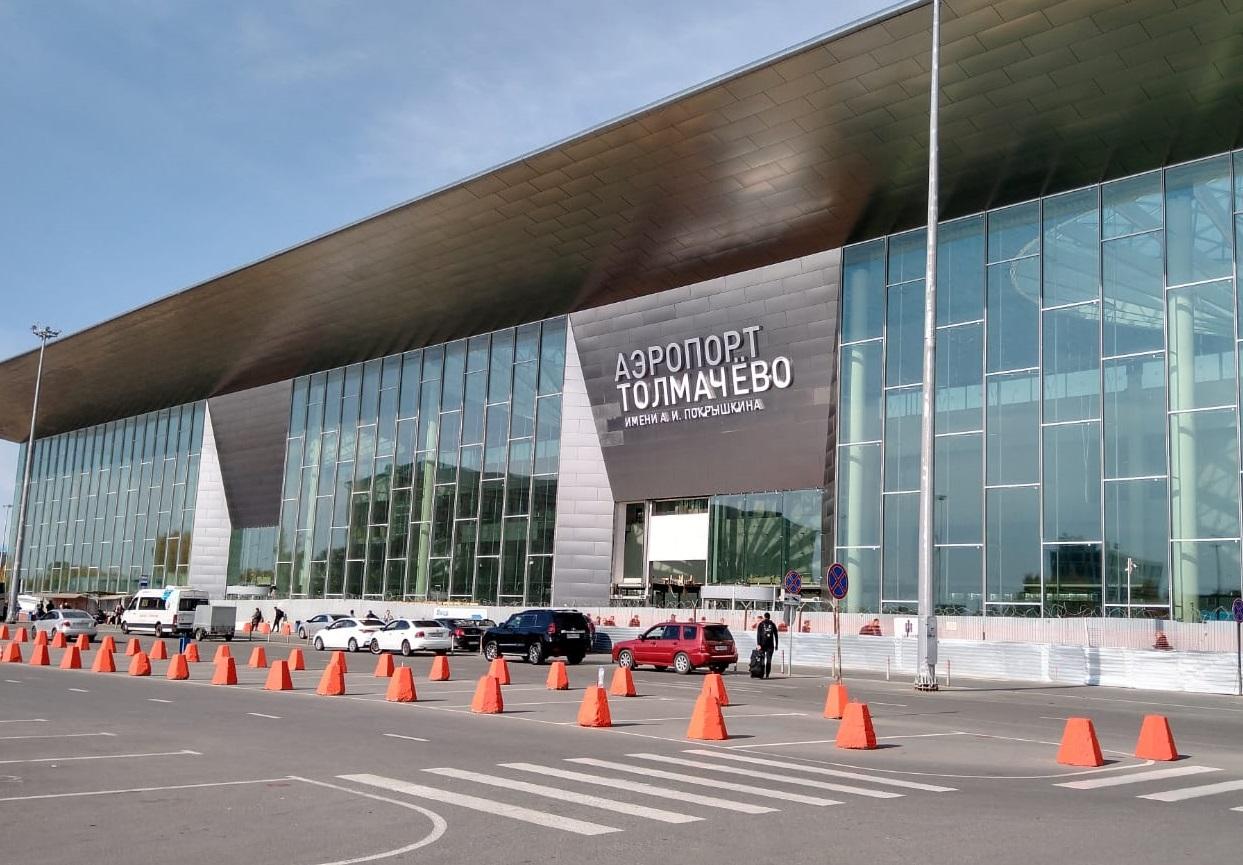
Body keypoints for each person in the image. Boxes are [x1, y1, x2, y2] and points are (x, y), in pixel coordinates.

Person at [756, 612, 779, 679]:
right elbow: (776, 635)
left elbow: (758, 635)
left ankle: (761, 674)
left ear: (764, 617)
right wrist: (776, 645)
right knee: (769, 660)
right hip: (770, 645)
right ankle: (767, 675)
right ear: (769, 617)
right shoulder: (773, 624)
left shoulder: (761, 624)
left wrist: (758, 644)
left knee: (762, 660)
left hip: (762, 645)